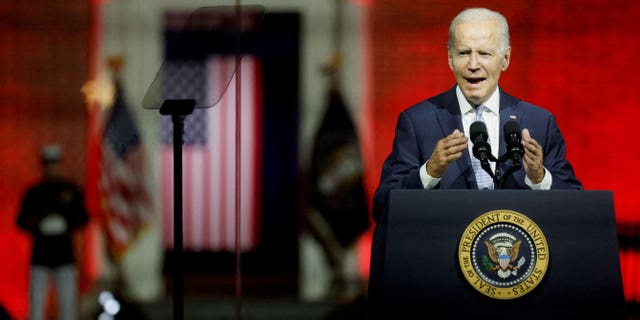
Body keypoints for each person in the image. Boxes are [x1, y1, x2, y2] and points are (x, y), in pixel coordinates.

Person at [371, 7, 582, 222]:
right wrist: (430, 171)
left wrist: (540, 179)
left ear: (506, 58)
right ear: (450, 59)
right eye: (463, 53)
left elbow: (577, 208)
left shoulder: (539, 123)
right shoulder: (417, 122)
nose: (473, 65)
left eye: (484, 53)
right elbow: (383, 206)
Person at [16, 145, 89, 320]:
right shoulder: (34, 193)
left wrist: (66, 223)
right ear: (43, 166)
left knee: (67, 307)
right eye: (48, 165)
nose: (51, 168)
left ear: (59, 165)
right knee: (36, 306)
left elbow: (83, 217)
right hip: (40, 257)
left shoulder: (70, 190)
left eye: (54, 164)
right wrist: (39, 225)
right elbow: (21, 220)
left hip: (64, 256)